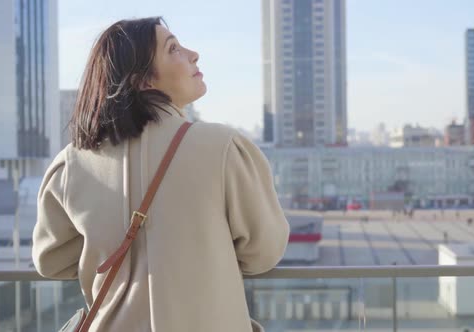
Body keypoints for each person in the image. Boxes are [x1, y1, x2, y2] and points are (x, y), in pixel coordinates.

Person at [31, 17, 289, 331]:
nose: (193, 54)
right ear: (143, 81)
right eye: (174, 49)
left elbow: (52, 260)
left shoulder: (71, 163)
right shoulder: (224, 148)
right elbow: (264, 253)